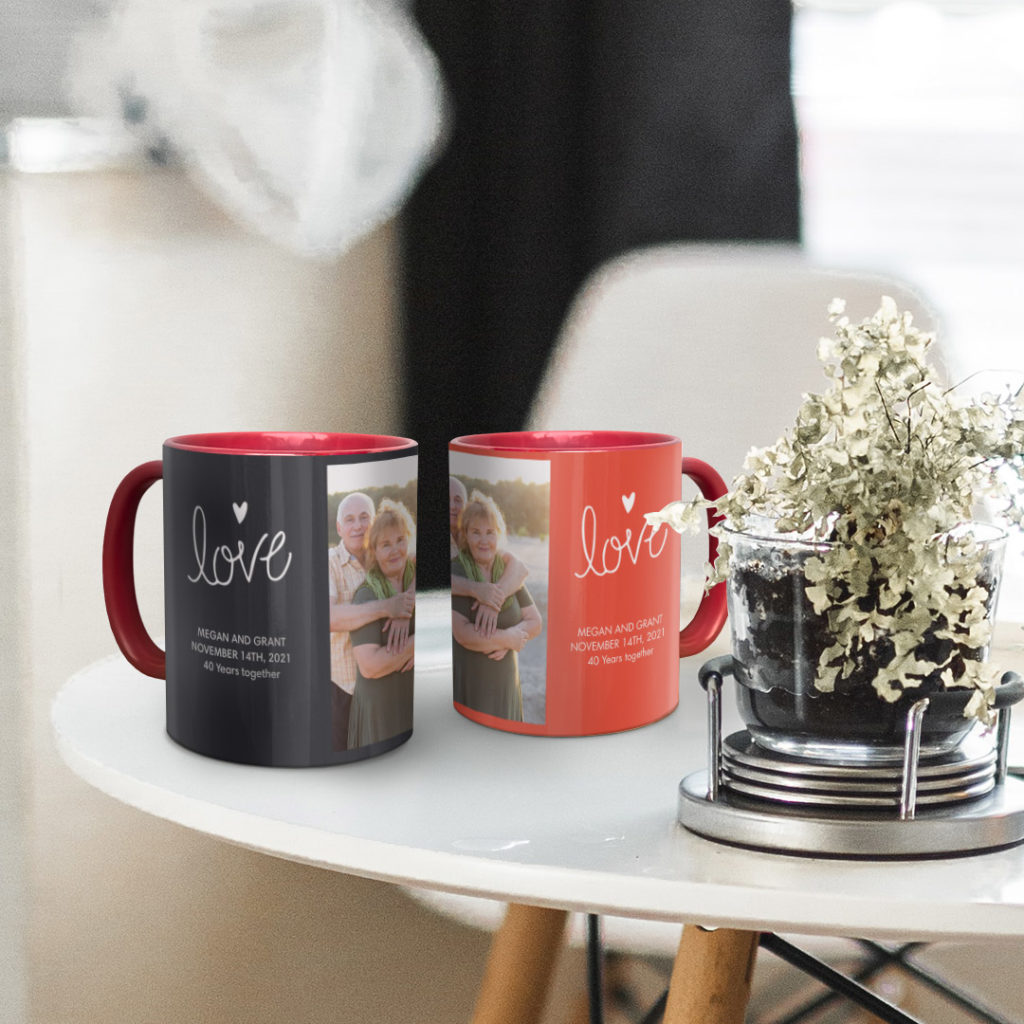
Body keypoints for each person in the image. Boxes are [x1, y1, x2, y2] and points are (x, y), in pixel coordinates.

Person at [328, 492, 414, 750]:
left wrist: (406, 605)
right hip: (344, 687)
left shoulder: (387, 554)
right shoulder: (330, 562)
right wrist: (390, 607)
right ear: (339, 527)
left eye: (364, 517)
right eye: (350, 519)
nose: (358, 525)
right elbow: (328, 618)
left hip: (389, 684)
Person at [451, 490, 541, 720]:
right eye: (476, 532)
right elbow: (463, 633)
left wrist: (513, 634)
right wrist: (506, 639)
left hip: (508, 686)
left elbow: (535, 621)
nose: (483, 540)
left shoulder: (506, 570)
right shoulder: (458, 569)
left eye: (490, 532)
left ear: (499, 534)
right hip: (473, 686)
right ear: (466, 536)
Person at [449, 475, 528, 637]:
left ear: (465, 506)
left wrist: (493, 602)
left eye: (457, 500)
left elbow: (519, 568)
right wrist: (477, 589)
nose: (452, 506)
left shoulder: (479, 540)